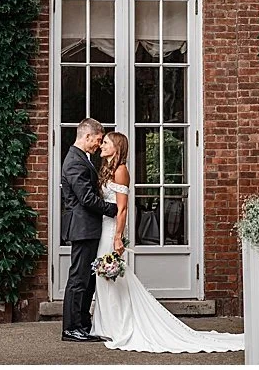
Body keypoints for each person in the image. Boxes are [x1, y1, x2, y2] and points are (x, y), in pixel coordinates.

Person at [90, 132, 241, 353]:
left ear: (117, 147)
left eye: (106, 143)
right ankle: (106, 324)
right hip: (103, 226)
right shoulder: (108, 169)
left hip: (112, 229)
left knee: (110, 276)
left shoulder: (121, 171)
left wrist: (117, 237)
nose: (101, 145)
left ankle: (119, 327)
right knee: (105, 277)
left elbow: (122, 209)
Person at [61, 118, 118, 342]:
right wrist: (112, 209)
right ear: (86, 136)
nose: (98, 144)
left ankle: (83, 324)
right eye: (97, 140)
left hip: (89, 227)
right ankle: (71, 328)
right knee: (78, 279)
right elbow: (85, 198)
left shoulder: (83, 158)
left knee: (88, 278)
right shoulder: (74, 161)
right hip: (82, 227)